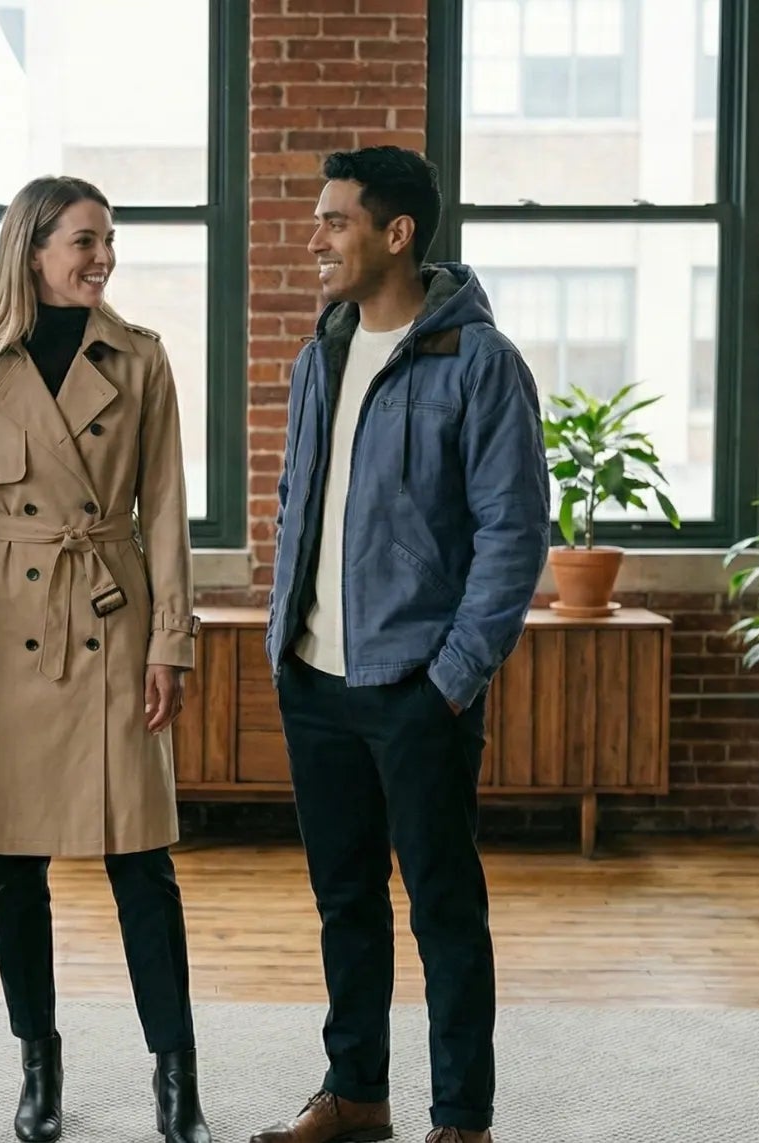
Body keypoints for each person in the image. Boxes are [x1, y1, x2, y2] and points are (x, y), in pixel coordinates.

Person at [247, 147, 550, 1143]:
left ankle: (460, 1120)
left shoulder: (478, 363)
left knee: (442, 912)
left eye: (335, 221)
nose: (315, 239)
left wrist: (450, 679)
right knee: (344, 904)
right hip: (314, 679)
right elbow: (299, 502)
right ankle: (355, 1095)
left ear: (395, 233)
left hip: (416, 687)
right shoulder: (319, 355)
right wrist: (280, 638)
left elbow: (513, 534)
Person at [0, 174, 211, 1143]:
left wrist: (171, 639)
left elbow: (164, 509)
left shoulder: (141, 360)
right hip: (5, 633)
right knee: (12, 866)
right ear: (32, 249)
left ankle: (176, 1081)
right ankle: (35, 1065)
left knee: (142, 864)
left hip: (110, 619)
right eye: (84, 240)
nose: (102, 258)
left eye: (107, 240)